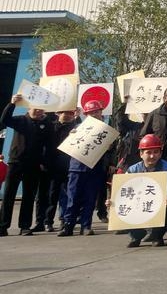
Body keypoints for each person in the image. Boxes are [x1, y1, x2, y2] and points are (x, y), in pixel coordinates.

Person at [0, 93, 52, 237]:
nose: (39, 111)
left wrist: (43, 162)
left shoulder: (46, 125)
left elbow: (49, 145)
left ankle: (25, 226)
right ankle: (3, 225)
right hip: (16, 162)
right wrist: (12, 104)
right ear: (29, 108)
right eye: (36, 108)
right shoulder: (20, 120)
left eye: (41, 109)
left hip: (34, 165)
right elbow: (4, 119)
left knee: (29, 196)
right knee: (9, 195)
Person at [114, 134, 167, 247]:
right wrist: (112, 201)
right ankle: (136, 236)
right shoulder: (132, 170)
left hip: (159, 203)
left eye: (156, 152)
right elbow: (124, 192)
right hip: (138, 202)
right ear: (141, 154)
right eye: (148, 152)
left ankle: (157, 235)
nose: (152, 156)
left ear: (160, 153)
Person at [58, 100, 109, 237]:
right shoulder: (77, 128)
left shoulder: (106, 131)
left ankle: (86, 226)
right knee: (72, 197)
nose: (95, 114)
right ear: (86, 114)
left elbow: (110, 150)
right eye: (91, 113)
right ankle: (68, 225)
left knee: (90, 198)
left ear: (101, 112)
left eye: (97, 111)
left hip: (95, 168)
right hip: (76, 168)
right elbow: (66, 147)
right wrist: (70, 137)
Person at [44, 108, 79, 232]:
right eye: (65, 113)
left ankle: (64, 220)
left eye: (70, 113)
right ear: (58, 113)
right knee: (52, 195)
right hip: (53, 166)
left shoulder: (76, 128)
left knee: (67, 194)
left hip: (69, 165)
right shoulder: (51, 126)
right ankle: (48, 221)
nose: (68, 115)